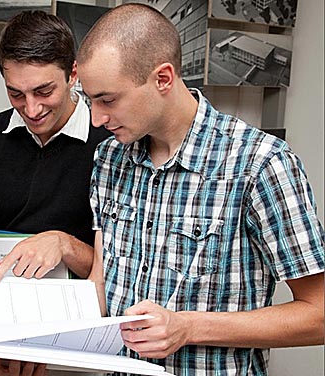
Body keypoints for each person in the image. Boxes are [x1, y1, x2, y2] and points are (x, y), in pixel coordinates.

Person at [77, 4, 325, 376]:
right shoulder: (109, 158)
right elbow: (102, 279)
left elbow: (319, 314)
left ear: (163, 78)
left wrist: (189, 327)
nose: (96, 118)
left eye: (108, 100)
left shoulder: (261, 164)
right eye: (89, 99)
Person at [0, 10, 109, 376]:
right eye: (15, 94)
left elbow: (119, 270)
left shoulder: (112, 145)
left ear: (73, 74)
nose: (32, 109)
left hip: (77, 344)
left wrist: (65, 245)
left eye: (44, 91)